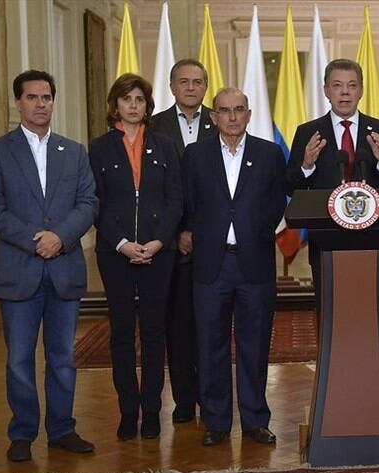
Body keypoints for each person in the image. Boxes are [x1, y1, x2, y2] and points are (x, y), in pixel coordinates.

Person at [0, 70, 98, 461]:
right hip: (20, 270)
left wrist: (59, 237)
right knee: (19, 360)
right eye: (33, 97)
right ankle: (23, 434)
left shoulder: (74, 151)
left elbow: (88, 203)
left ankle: (62, 429)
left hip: (64, 270)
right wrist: (37, 239)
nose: (41, 104)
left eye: (47, 97)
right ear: (18, 103)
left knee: (62, 358)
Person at [182, 88, 287, 447]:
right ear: (213, 117)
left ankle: (256, 420)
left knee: (254, 346)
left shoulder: (269, 153)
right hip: (211, 263)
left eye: (238, 110)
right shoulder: (195, 155)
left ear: (249, 114)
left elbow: (277, 202)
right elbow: (189, 203)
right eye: (224, 110)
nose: (231, 117)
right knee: (209, 346)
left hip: (254, 262)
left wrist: (255, 232)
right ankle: (216, 422)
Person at [88, 74, 183, 440]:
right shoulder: (98, 148)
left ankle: (152, 410)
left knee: (156, 332)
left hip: (160, 252)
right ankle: (128, 410)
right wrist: (123, 243)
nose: (133, 105)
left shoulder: (164, 145)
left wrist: (159, 242)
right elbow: (94, 202)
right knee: (123, 334)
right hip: (115, 252)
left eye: (140, 99)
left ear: (147, 106)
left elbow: (176, 200)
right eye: (126, 98)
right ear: (115, 104)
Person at [286, 58, 379, 306]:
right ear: (326, 90)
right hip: (326, 238)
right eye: (337, 85)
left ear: (361, 90)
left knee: (371, 304)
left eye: (352, 85)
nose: (345, 92)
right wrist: (306, 165)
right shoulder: (308, 132)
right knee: (331, 305)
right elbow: (290, 186)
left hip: (374, 238)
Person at [150, 59, 218, 423]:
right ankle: (183, 400)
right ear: (172, 86)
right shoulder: (154, 126)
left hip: (213, 242)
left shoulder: (220, 121)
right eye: (183, 82)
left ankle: (211, 398)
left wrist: (200, 231)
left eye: (197, 82)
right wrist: (176, 232)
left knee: (210, 326)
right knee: (176, 326)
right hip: (170, 244)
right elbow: (154, 189)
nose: (191, 88)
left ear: (205, 87)